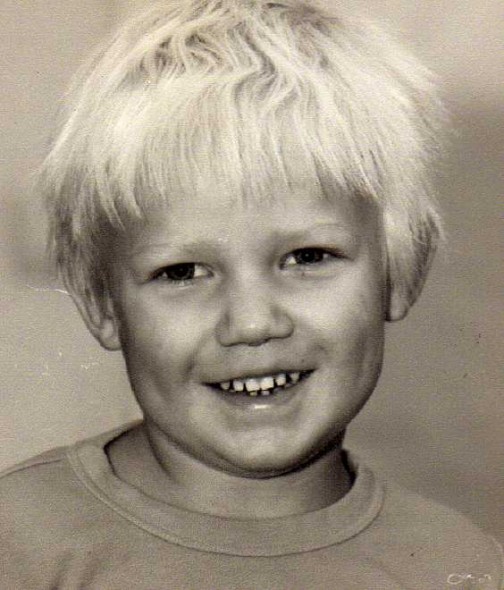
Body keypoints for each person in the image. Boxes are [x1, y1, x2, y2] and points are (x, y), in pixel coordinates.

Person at [1, 0, 502, 588]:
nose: (251, 322)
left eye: (307, 258)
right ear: (99, 301)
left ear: (403, 268)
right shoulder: (20, 544)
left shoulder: (460, 566)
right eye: (183, 271)